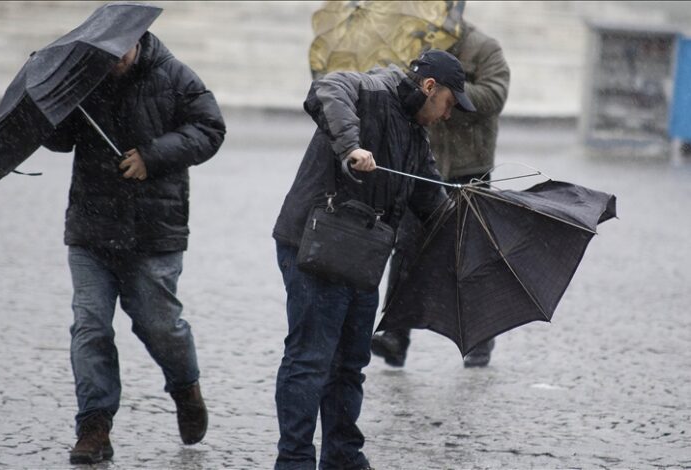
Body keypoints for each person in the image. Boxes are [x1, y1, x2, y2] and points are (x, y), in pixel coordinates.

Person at [271, 49, 475, 469]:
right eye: (449, 104)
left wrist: (472, 214)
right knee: (310, 359)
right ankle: (293, 461)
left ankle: (343, 458)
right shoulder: (372, 88)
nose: (447, 115)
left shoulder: (416, 139)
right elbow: (327, 88)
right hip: (314, 245)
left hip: (360, 258)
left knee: (349, 365)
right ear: (429, 87)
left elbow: (432, 206)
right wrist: (351, 147)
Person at [41, 31, 226, 464]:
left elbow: (210, 128)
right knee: (90, 328)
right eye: (104, 55)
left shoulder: (175, 75)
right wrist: (51, 112)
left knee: (159, 324)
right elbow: (61, 140)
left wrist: (152, 155)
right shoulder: (82, 79)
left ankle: (185, 387)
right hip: (91, 227)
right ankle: (94, 427)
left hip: (153, 230)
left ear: (137, 40)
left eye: (119, 53)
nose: (113, 61)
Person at [371, 18, 510, 369]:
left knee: (470, 252)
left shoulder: (485, 48)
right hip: (424, 163)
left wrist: (451, 95)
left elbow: (495, 95)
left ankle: (479, 338)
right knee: (405, 247)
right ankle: (395, 335)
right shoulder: (419, 46)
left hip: (469, 168)